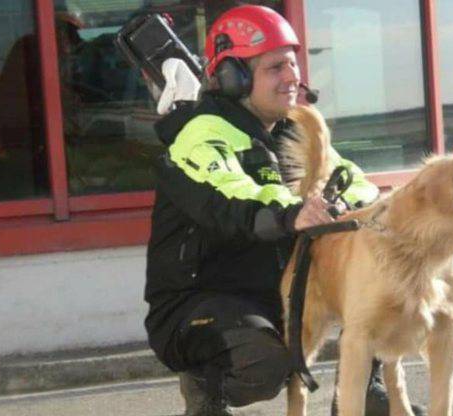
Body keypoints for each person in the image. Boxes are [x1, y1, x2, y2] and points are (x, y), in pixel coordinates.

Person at [143, 5, 398, 415]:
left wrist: (382, 210)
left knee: (379, 285)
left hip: (275, 294)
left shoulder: (293, 130)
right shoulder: (201, 135)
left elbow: (347, 177)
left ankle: (360, 400)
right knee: (265, 363)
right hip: (198, 304)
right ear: (234, 77)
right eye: (275, 67)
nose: (292, 77)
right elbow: (233, 195)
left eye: (294, 65)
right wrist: (293, 212)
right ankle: (204, 390)